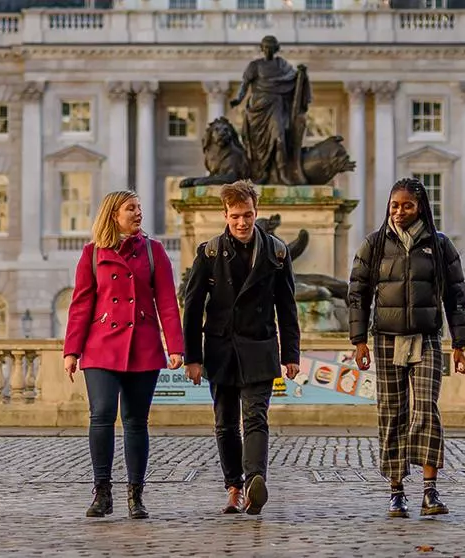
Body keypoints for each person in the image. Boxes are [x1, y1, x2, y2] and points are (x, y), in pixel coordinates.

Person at [347, 177, 465, 518]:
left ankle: (430, 491)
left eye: (407, 206)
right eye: (394, 206)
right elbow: (357, 294)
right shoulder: (373, 245)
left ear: (421, 208)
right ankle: (396, 491)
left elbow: (456, 297)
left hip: (427, 337)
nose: (400, 212)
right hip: (385, 338)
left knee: (426, 410)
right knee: (391, 413)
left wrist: (460, 344)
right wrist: (358, 340)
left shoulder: (440, 244)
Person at [63, 191, 185, 520]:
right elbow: (81, 304)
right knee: (101, 415)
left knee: (135, 422)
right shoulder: (92, 253)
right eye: (131, 208)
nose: (138, 213)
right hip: (101, 345)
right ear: (113, 214)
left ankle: (136, 495)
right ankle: (102, 493)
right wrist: (71, 350)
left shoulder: (153, 251)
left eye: (139, 208)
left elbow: (167, 303)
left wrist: (175, 346)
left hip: (142, 345)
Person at [181, 181, 301, 516]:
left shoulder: (276, 251)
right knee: (224, 423)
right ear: (225, 215)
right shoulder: (209, 252)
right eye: (235, 216)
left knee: (256, 418)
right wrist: (192, 357)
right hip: (221, 349)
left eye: (247, 215)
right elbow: (192, 308)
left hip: (260, 347)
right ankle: (233, 486)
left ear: (256, 212)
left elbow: (287, 306)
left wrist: (291, 354)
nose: (242, 222)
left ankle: (254, 481)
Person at [229, 35, 311, 185]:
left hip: (276, 105)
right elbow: (245, 85)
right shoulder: (255, 66)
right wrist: (238, 99)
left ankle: (282, 173)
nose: (267, 50)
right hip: (258, 109)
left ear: (276, 49)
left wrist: (301, 75)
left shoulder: (282, 65)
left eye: (271, 47)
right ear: (262, 49)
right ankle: (262, 172)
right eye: (265, 47)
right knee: (257, 145)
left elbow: (293, 79)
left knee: (279, 137)